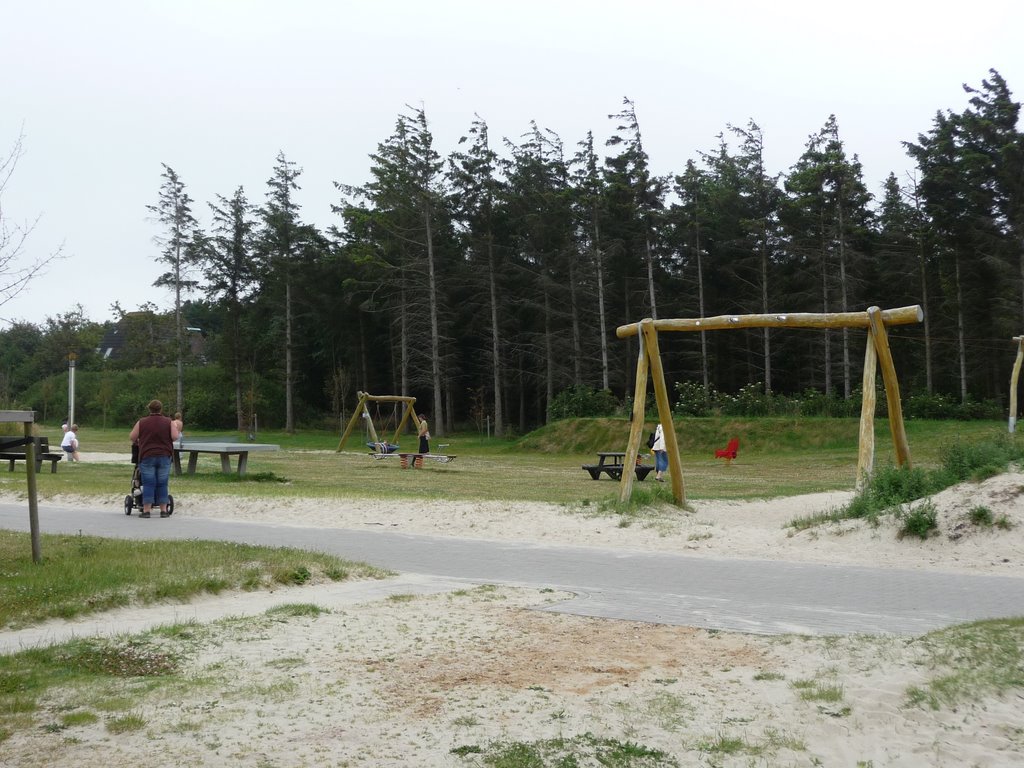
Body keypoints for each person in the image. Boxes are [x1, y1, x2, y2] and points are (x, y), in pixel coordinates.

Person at [129, 399, 180, 518]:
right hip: (164, 455)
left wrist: (141, 440)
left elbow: (132, 437)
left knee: (148, 483)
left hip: (147, 455)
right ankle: (163, 510)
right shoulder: (168, 422)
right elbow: (175, 436)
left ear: (149, 409)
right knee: (162, 483)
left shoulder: (141, 422)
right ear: (161, 409)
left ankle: (146, 510)